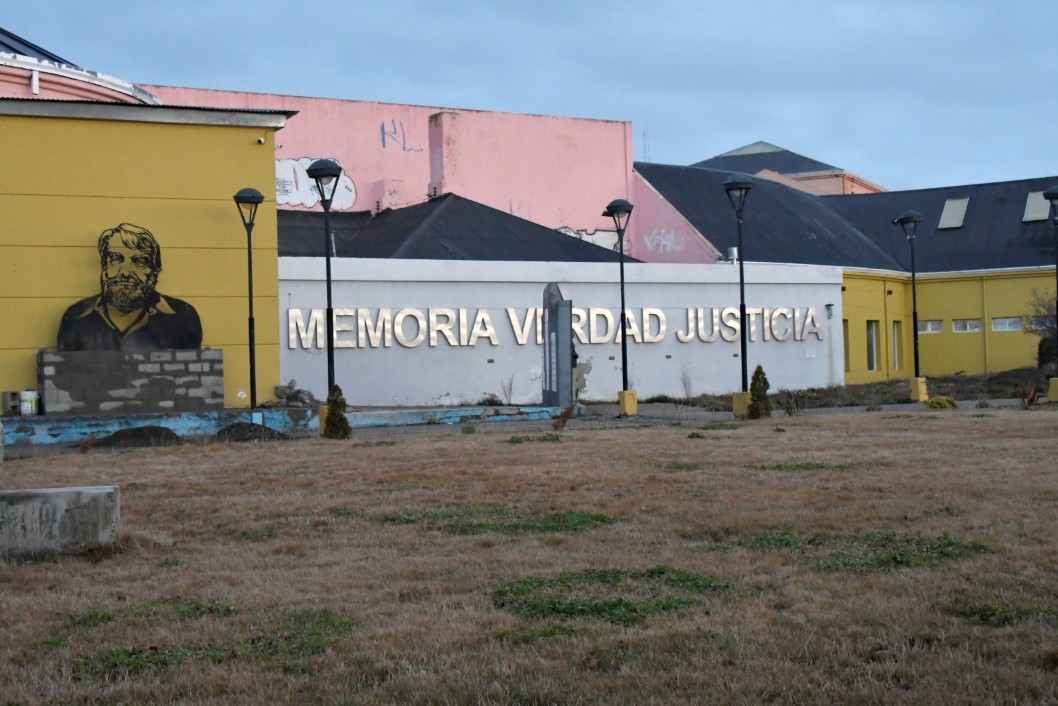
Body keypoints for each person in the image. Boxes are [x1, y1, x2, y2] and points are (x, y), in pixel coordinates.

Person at [57, 224, 202, 351]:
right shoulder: (76, 317)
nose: (125, 272)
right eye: (116, 259)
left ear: (154, 271)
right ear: (104, 266)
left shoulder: (183, 318)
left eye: (139, 261)